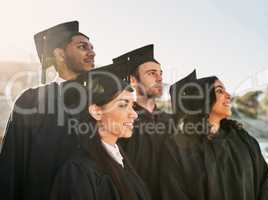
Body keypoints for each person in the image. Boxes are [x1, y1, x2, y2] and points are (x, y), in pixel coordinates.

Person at [0, 21, 95, 200]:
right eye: (82, 47)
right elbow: (11, 165)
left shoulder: (101, 102)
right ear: (59, 54)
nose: (92, 52)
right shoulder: (31, 101)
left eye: (91, 47)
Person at [160, 70, 268, 200]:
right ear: (203, 99)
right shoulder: (177, 147)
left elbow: (264, 187)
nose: (228, 95)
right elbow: (174, 193)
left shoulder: (244, 139)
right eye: (220, 91)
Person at [50, 67, 151, 200]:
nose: (134, 114)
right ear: (96, 112)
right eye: (123, 105)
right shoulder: (80, 171)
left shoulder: (121, 159)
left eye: (132, 106)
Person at [113, 44, 174, 199]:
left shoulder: (171, 121)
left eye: (160, 73)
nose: (160, 78)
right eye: (152, 73)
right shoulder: (123, 119)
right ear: (133, 80)